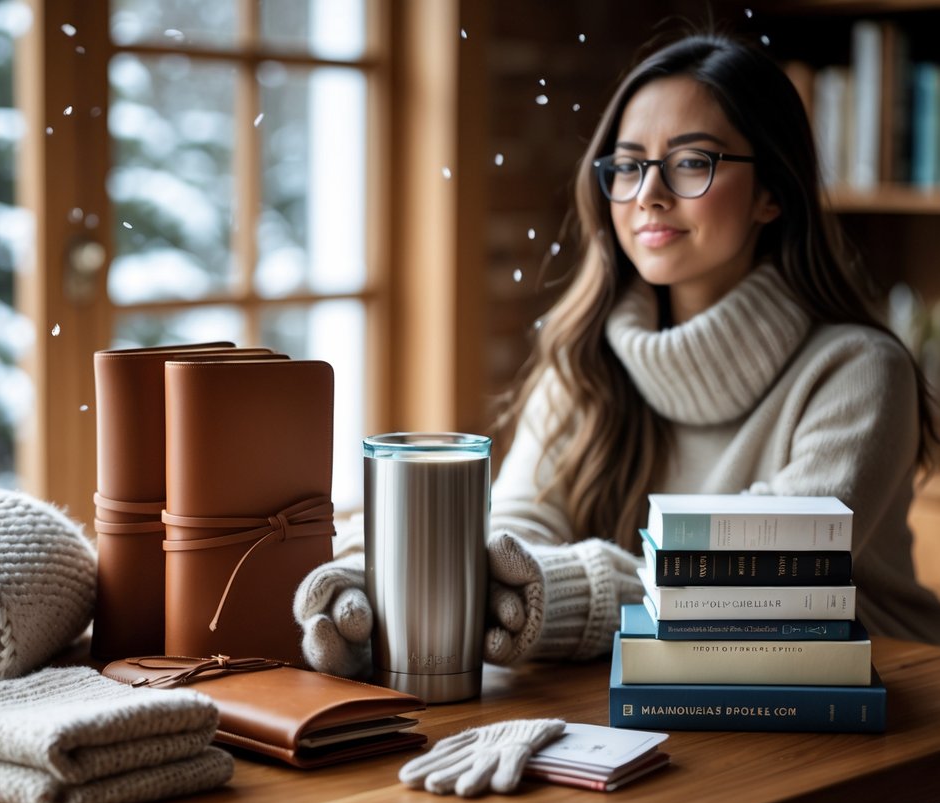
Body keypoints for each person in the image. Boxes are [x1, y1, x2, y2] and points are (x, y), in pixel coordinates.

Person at [294, 31, 940, 680]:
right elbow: (520, 533)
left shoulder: (858, 371)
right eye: (627, 166)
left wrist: (566, 590)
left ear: (771, 192)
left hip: (875, 723)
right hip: (656, 703)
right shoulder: (584, 361)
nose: (646, 195)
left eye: (691, 162)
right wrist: (391, 577)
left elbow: (762, 584)